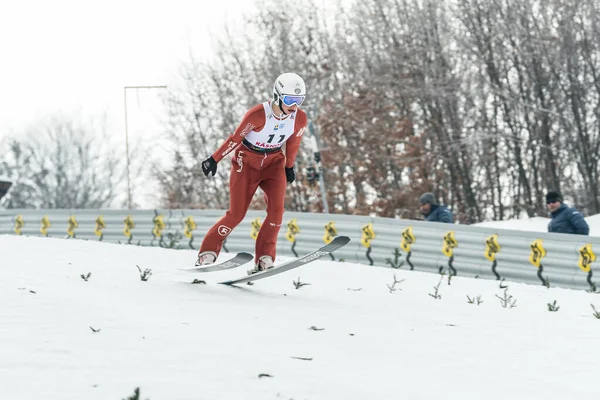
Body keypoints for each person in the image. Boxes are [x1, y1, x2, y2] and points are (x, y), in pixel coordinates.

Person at [195, 72, 308, 273]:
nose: (294, 106)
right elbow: (235, 138)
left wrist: (289, 166)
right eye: (290, 100)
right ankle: (207, 253)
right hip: (246, 161)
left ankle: (264, 257)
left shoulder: (299, 118)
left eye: (299, 100)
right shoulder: (257, 114)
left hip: (273, 163)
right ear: (278, 96)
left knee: (277, 213)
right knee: (236, 214)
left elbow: (293, 143)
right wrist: (214, 159)